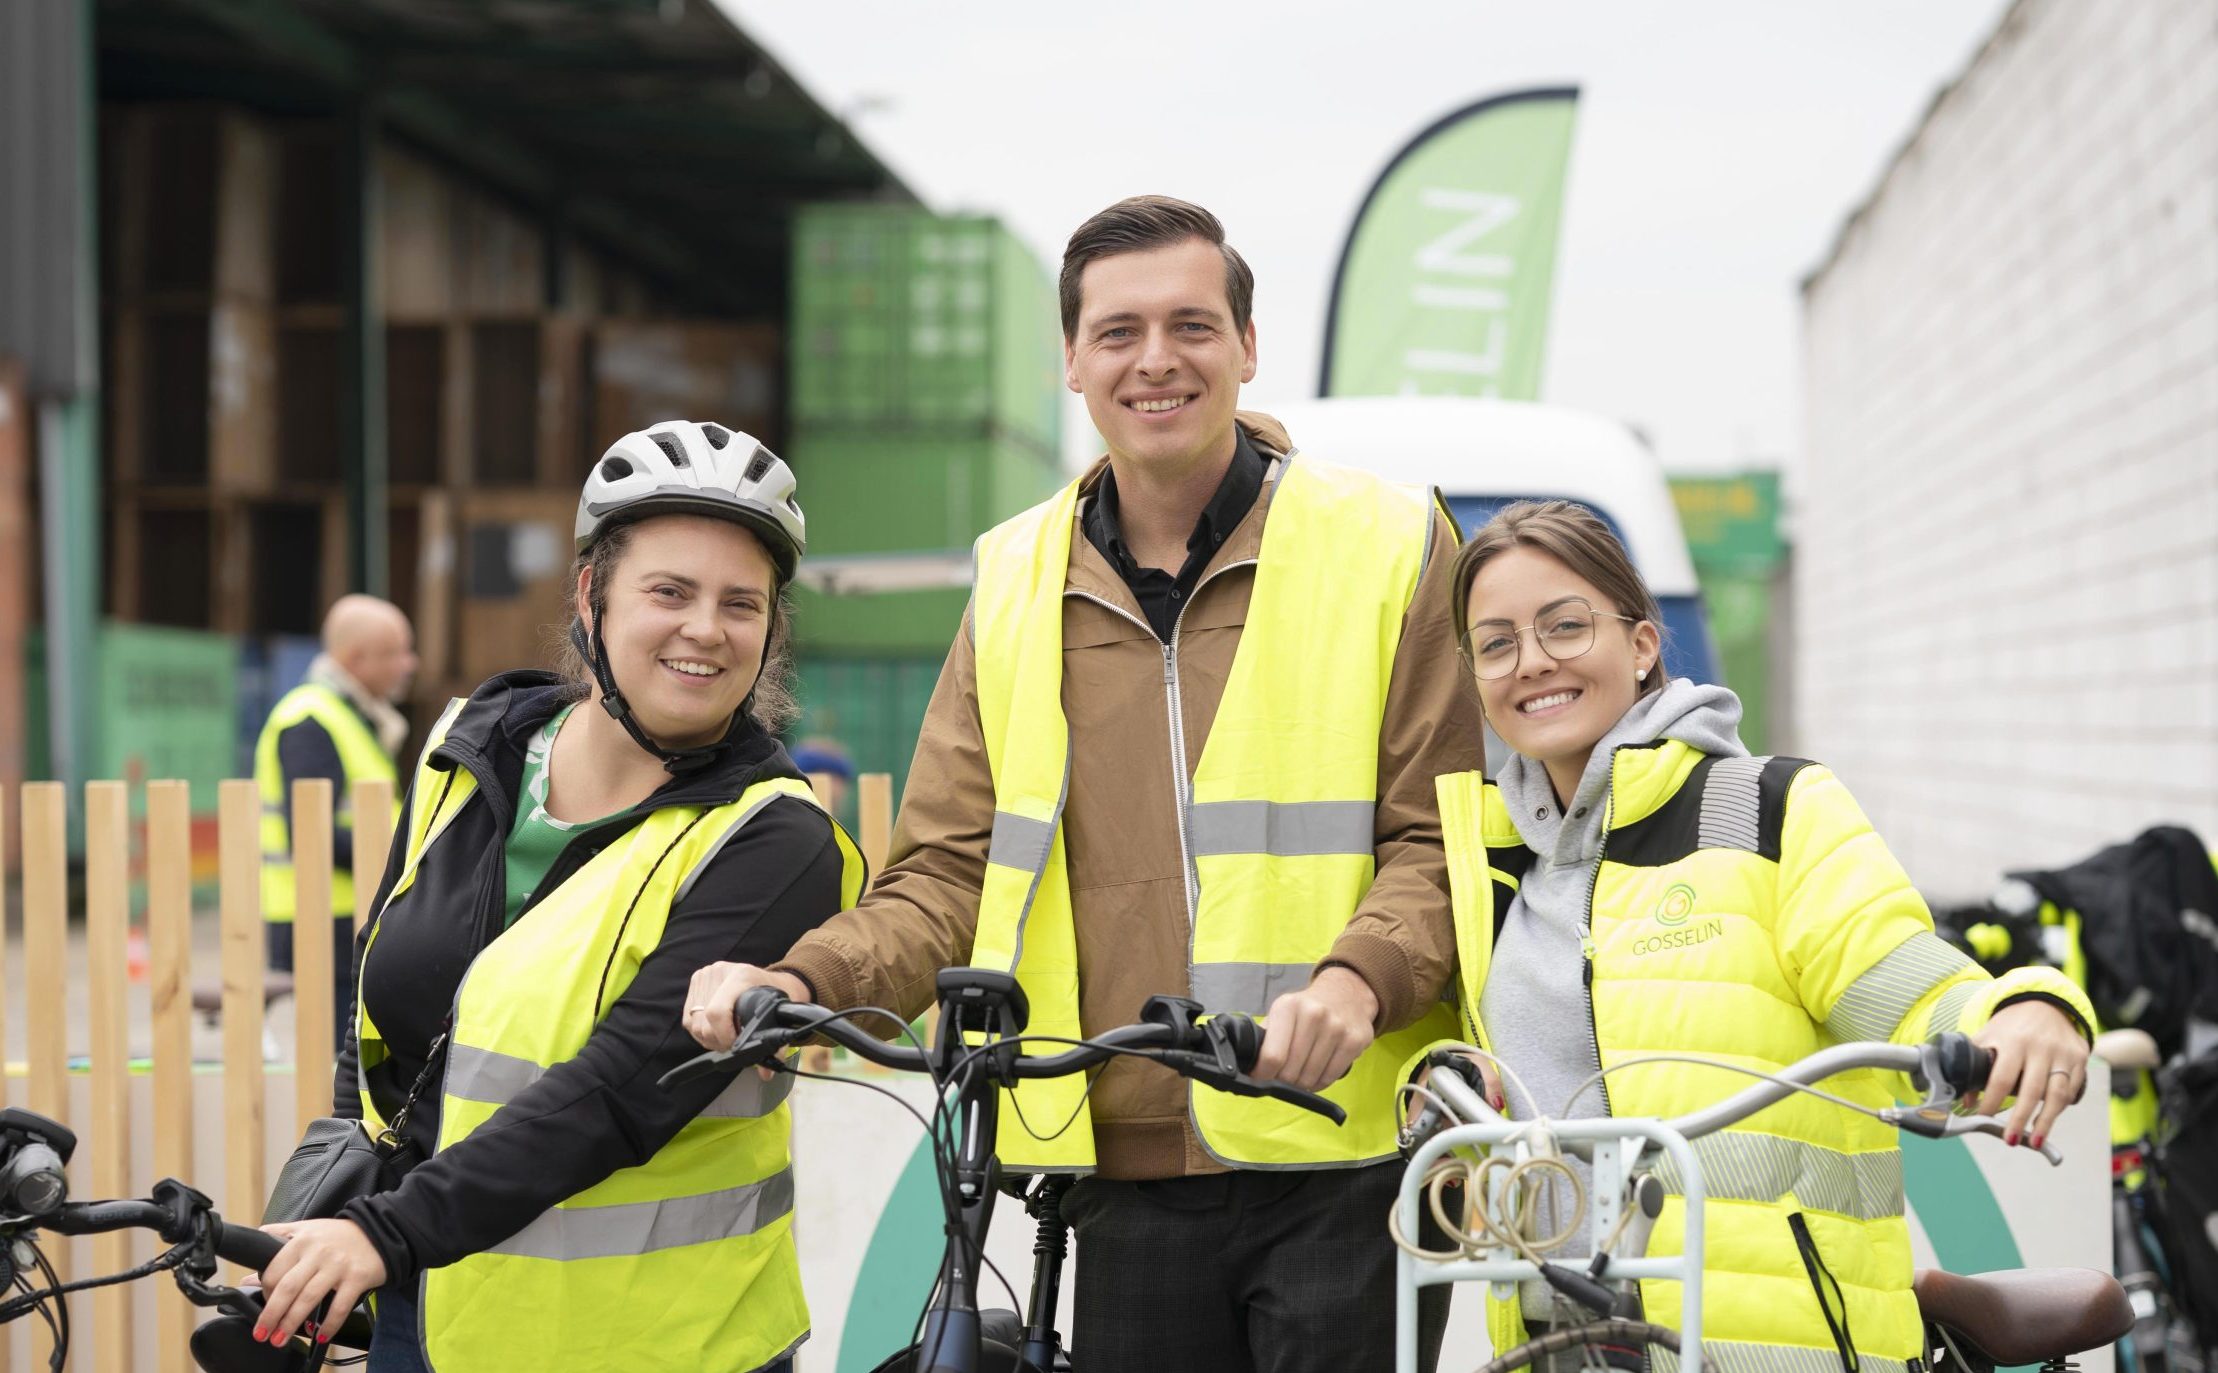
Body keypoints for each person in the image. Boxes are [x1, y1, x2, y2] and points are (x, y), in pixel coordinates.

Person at [686, 195, 1482, 1372]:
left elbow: (1445, 835)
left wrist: (1356, 983)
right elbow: (947, 872)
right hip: (1114, 1160)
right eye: (1117, 332)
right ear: (1071, 359)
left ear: (1247, 346)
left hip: (1341, 1152)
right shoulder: (1011, 579)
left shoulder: (1390, 540)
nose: (1154, 359)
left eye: (1191, 325)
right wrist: (799, 978)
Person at [252, 422, 865, 1373]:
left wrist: (384, 1231)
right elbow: (381, 1000)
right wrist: (341, 1197)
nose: (706, 627)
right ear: (591, 596)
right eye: (669, 590)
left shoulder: (776, 838)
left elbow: (621, 1090)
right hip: (434, 1320)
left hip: (661, 1343)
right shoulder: (472, 748)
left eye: (741, 603)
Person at [1434, 499, 2095, 1369]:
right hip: (1558, 1334)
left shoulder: (1769, 808)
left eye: (1565, 626)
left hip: (1763, 1337)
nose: (1533, 663)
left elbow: (1906, 977)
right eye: (1497, 642)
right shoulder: (1489, 862)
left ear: (1641, 646)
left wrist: (2027, 1007)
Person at [254, 594, 415, 1046]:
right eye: (395, 653)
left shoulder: (349, 718)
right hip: (325, 920)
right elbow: (311, 834)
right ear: (354, 659)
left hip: (349, 914)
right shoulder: (311, 722)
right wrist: (407, 859)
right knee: (336, 1063)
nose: (409, 664)